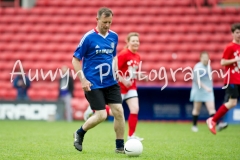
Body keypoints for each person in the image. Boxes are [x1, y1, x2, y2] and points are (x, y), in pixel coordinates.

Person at [72, 7, 125, 153]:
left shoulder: (114, 36)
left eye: (109, 22)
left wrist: (116, 71)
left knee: (119, 111)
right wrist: (83, 80)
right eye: (104, 22)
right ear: (97, 20)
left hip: (111, 81)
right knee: (102, 115)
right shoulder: (88, 37)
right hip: (93, 82)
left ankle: (120, 146)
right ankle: (79, 132)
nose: (107, 25)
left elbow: (113, 56)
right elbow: (75, 60)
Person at [84, 32, 147, 141]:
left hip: (131, 86)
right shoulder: (123, 54)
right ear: (128, 42)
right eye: (133, 41)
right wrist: (123, 80)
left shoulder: (137, 56)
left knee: (135, 109)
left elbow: (131, 72)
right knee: (114, 112)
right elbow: (115, 69)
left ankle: (131, 136)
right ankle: (93, 109)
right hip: (121, 87)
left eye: (137, 41)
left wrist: (140, 75)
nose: (136, 43)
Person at [206, 23, 240, 135]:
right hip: (232, 79)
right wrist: (235, 60)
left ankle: (213, 120)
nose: (239, 35)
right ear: (232, 34)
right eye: (237, 32)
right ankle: (213, 120)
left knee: (233, 103)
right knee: (232, 102)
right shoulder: (230, 47)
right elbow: (223, 62)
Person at [190, 51, 228, 132]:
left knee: (212, 109)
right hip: (198, 91)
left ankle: (217, 124)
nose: (205, 59)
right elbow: (197, 80)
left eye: (206, 57)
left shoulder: (208, 67)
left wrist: (209, 88)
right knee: (196, 109)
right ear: (200, 58)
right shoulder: (197, 67)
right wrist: (206, 88)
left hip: (208, 91)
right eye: (204, 57)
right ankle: (194, 126)